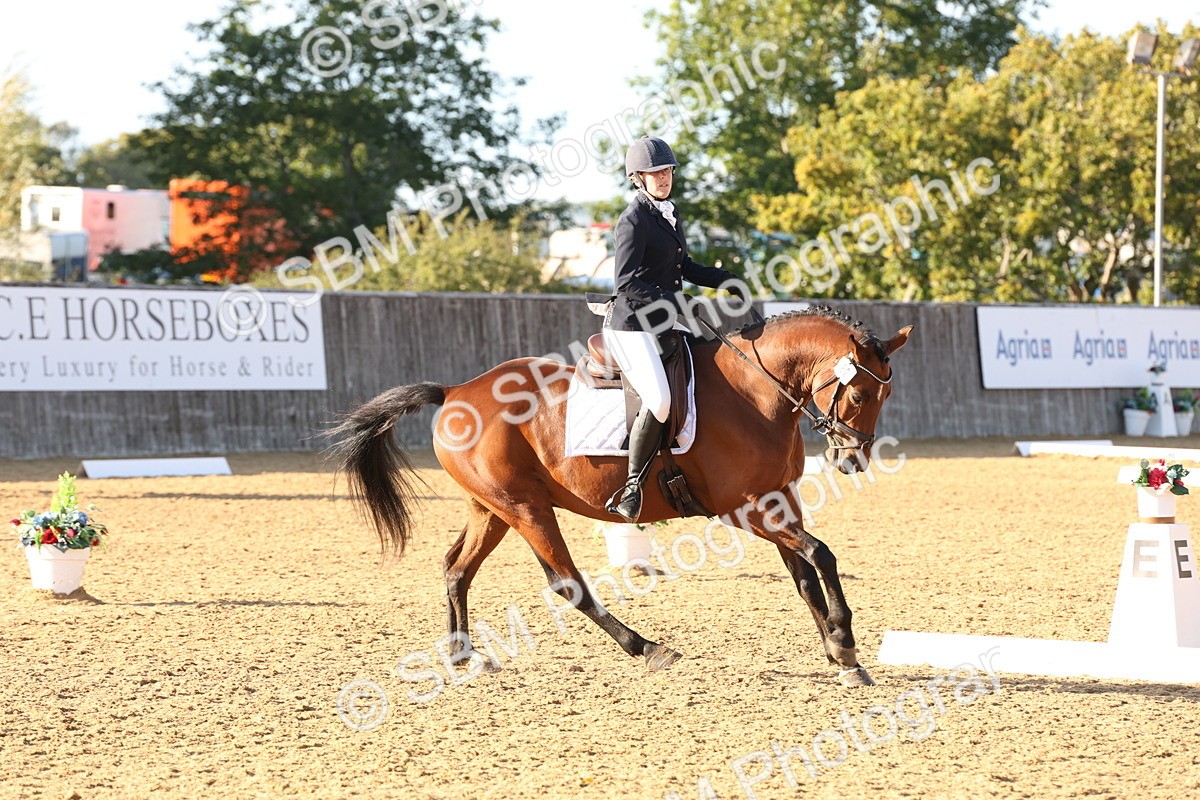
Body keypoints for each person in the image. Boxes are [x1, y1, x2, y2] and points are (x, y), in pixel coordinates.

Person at [603, 135, 744, 522]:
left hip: (663, 320)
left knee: (712, 372)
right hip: (632, 326)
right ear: (638, 178)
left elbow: (684, 267)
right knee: (661, 400)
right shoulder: (633, 220)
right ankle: (633, 486)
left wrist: (724, 279)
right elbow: (626, 283)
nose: (664, 178)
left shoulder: (669, 212)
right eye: (655, 173)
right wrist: (676, 302)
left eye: (667, 171)